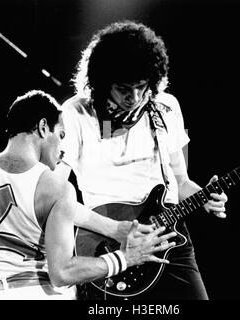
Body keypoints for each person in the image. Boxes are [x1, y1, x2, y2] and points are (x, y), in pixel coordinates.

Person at [0, 90, 176, 300]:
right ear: (43, 128)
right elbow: (62, 272)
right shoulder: (56, 187)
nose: (63, 149)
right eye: (61, 135)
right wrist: (124, 258)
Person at [58, 21, 228, 300]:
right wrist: (116, 230)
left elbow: (180, 181)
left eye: (141, 86)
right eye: (123, 88)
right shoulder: (75, 113)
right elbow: (53, 195)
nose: (133, 98)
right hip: (107, 242)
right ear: (102, 82)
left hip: (168, 236)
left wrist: (206, 197)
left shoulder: (167, 107)